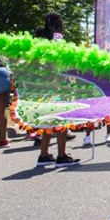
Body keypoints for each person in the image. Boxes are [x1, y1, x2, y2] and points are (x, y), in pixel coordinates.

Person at [35, 12, 80, 167]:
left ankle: (44, 155)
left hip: (43, 85)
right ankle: (61, 156)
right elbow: (66, 63)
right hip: (59, 84)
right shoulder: (58, 40)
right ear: (59, 23)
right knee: (61, 119)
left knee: (48, 119)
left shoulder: (39, 42)